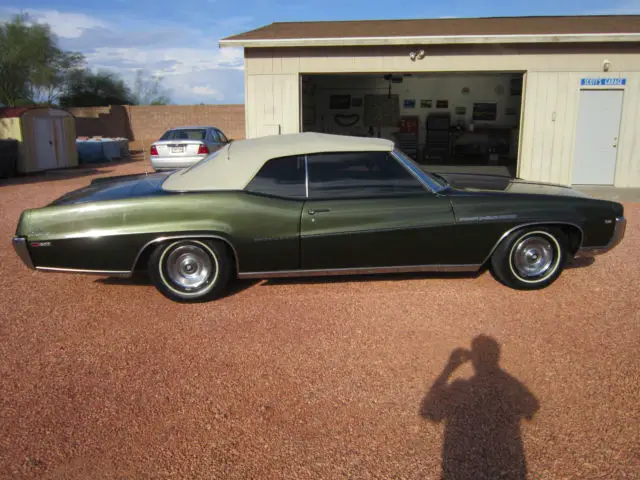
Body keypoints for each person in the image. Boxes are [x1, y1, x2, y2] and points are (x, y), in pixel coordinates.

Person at [420, 335, 540, 480]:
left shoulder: (461, 390)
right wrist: (498, 372)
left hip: (463, 473)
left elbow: (428, 410)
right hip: (505, 472)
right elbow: (531, 406)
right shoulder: (508, 390)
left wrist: (449, 369)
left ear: (473, 360)